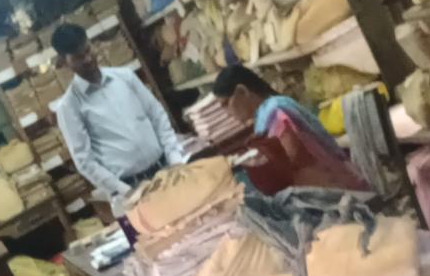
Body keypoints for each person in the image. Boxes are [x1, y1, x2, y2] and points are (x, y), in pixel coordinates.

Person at [51, 23, 185, 196]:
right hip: (132, 187)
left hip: (167, 170)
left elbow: (156, 114)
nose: (88, 59)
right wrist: (125, 191)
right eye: (78, 57)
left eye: (88, 50)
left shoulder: (125, 76)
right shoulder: (69, 107)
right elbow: (85, 161)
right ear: (64, 62)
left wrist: (175, 158)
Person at [212, 65, 367, 194]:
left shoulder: (277, 111)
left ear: (242, 91)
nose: (227, 113)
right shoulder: (266, 114)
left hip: (336, 189)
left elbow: (294, 161)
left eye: (226, 104)